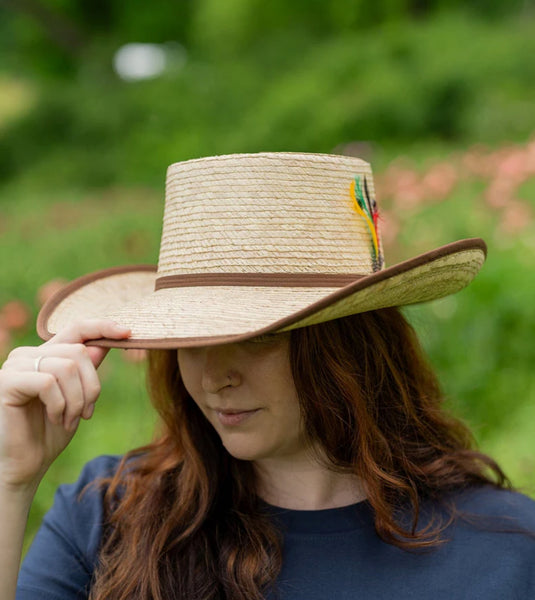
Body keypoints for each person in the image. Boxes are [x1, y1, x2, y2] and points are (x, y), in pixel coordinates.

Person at [1, 152, 534, 600]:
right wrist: (9, 478)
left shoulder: (505, 549)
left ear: (347, 343)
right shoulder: (106, 516)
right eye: (190, 340)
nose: (213, 378)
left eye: (257, 337)